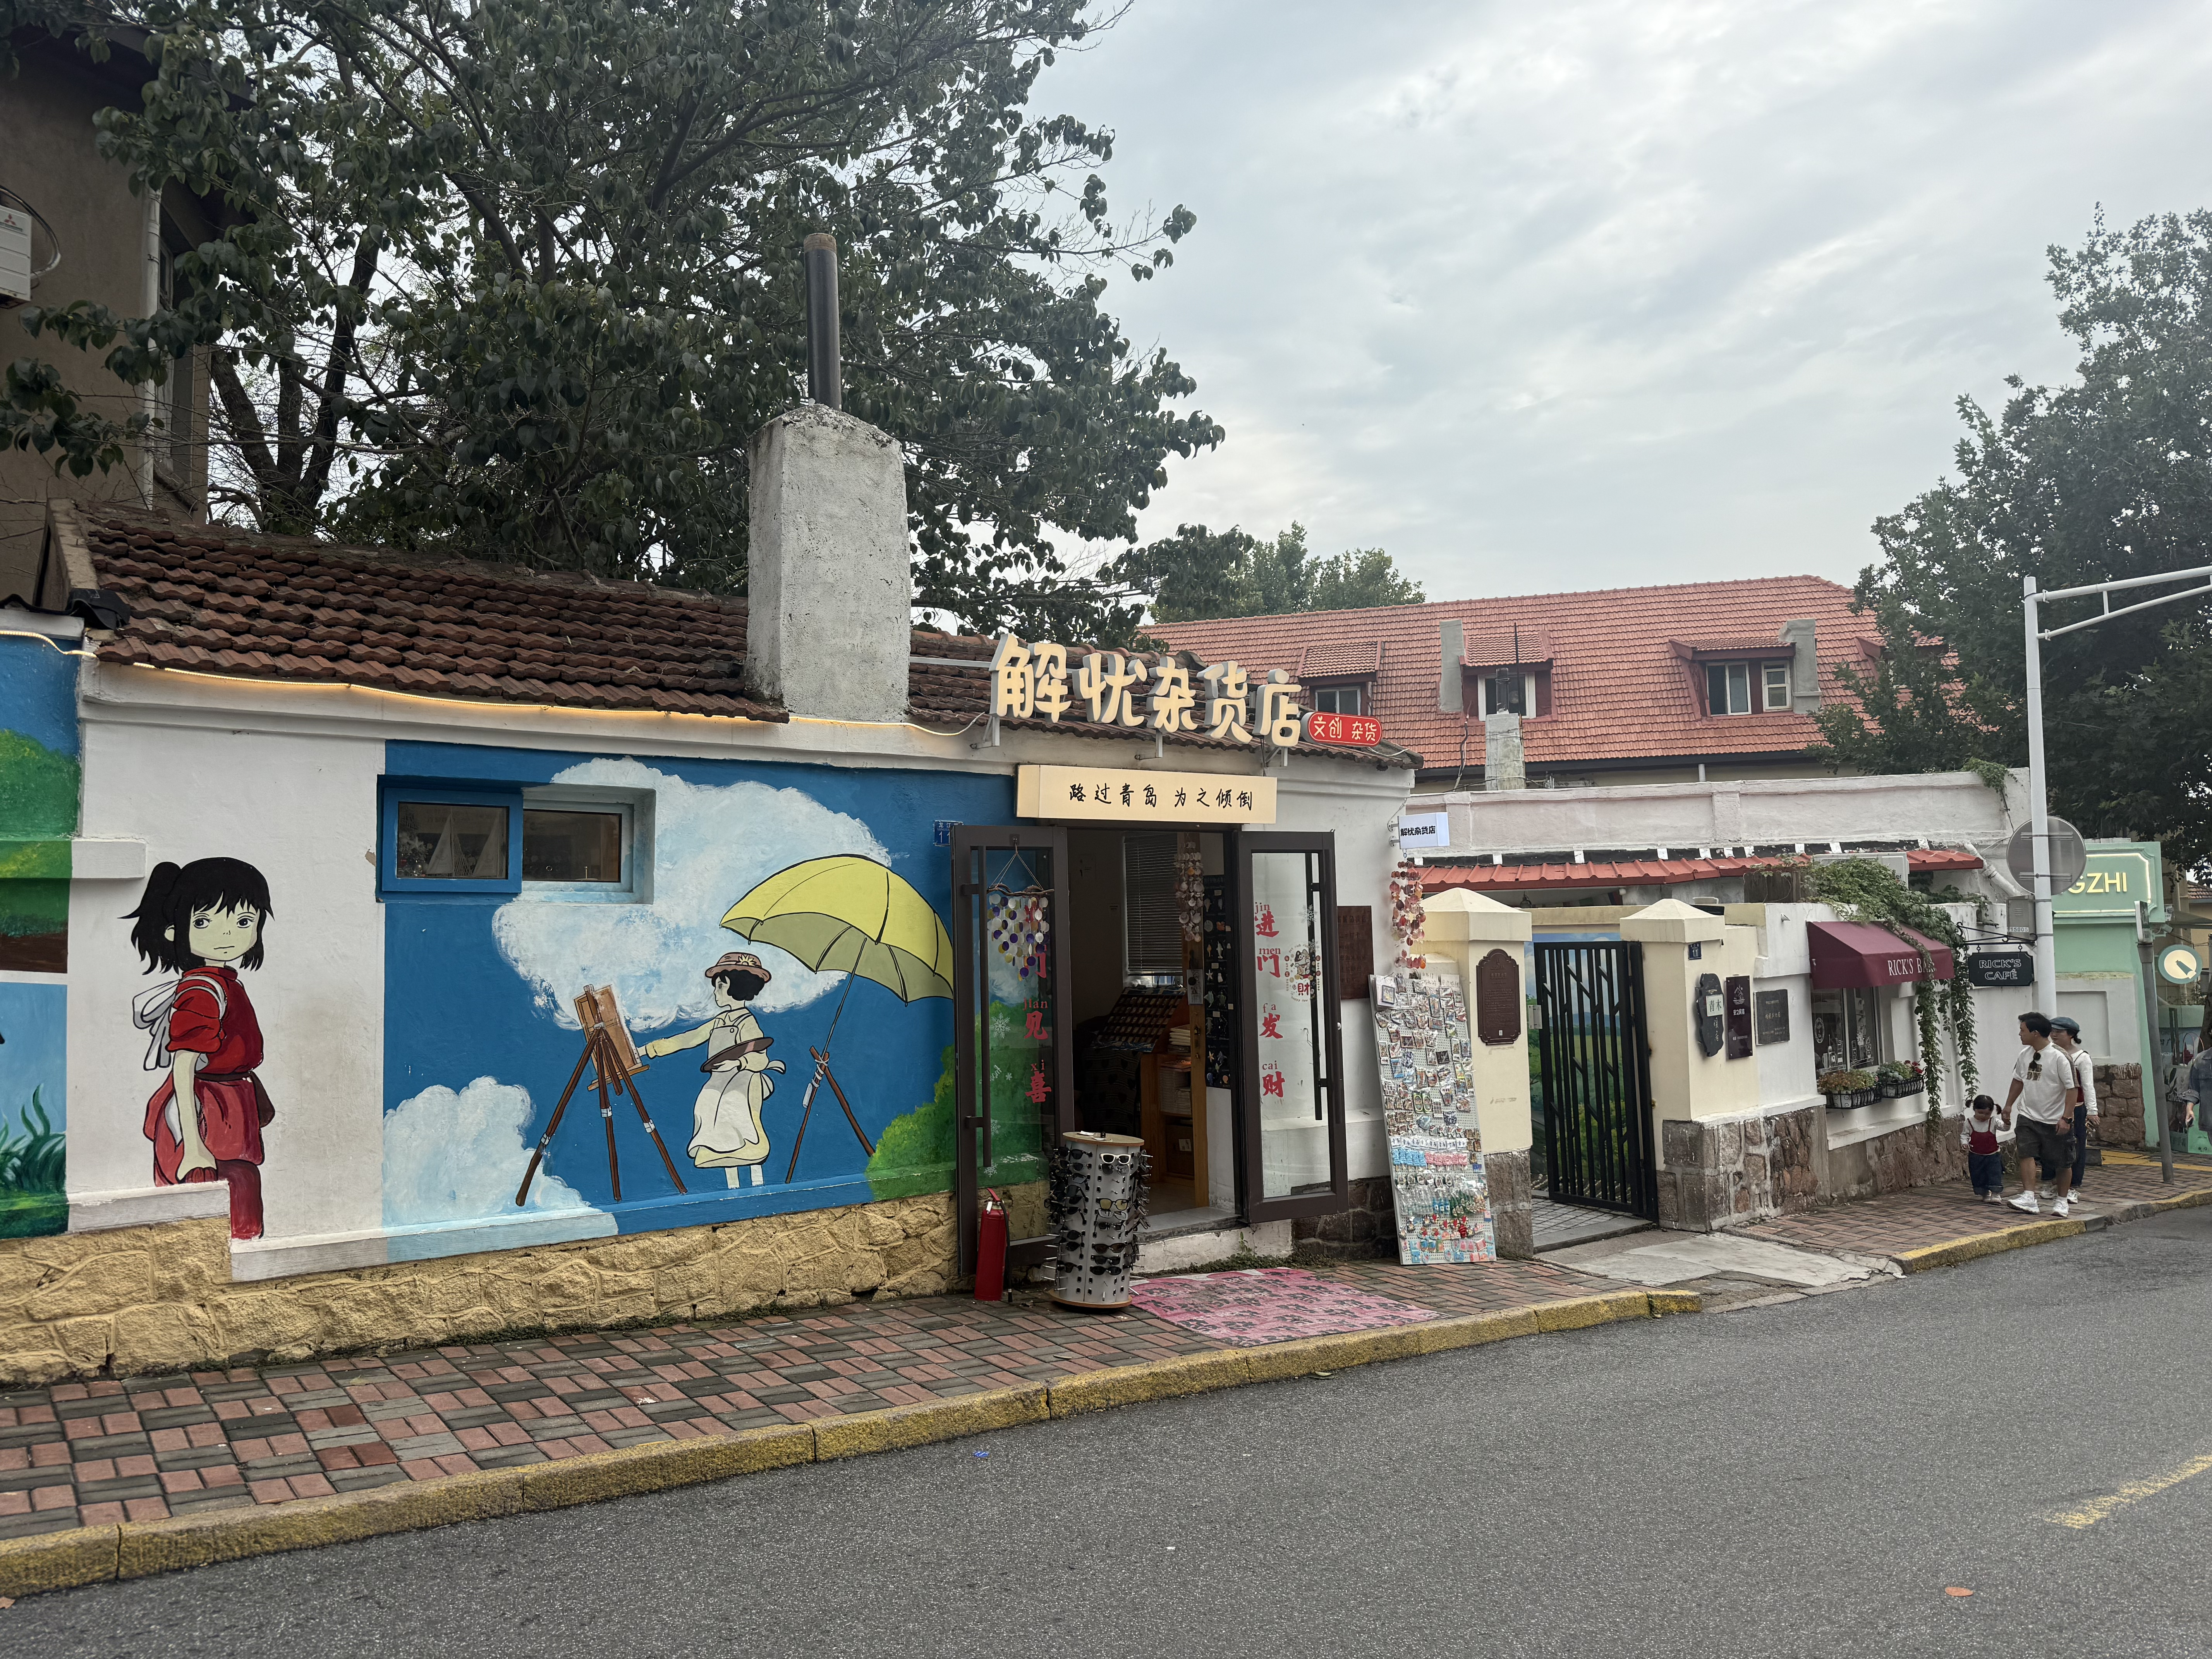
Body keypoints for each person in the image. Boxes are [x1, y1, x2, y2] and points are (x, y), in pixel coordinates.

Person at [125, 857, 277, 1241]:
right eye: (205, 922)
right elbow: (184, 1066)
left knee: (233, 1207)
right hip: (208, 1115)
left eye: (244, 922)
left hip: (226, 1106)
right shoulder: (202, 992)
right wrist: (193, 1145)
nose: (228, 934)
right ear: (178, 930)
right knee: (225, 1217)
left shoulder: (223, 982)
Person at [641, 951, 785, 1188]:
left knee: (740, 1124)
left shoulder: (747, 1022)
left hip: (743, 1083)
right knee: (709, 1110)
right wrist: (647, 1050)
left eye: (718, 986)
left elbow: (760, 1058)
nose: (715, 992)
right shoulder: (719, 1021)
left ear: (730, 986)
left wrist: (739, 1064)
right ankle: (732, 1186)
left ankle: (758, 1183)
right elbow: (687, 1039)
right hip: (718, 1082)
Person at [2004, 1012, 2080, 1218]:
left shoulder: (2060, 1057)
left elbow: (2073, 1089)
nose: (2020, 1035)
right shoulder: (2024, 1055)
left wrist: (2066, 1117)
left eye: (2023, 1031)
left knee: (2063, 1162)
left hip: (2056, 1119)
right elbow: (2018, 1080)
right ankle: (2029, 1196)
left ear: (2036, 1034)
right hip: (2028, 1115)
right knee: (2026, 1154)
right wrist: (2009, 1106)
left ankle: (2062, 1201)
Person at [2049, 1016, 2098, 1201]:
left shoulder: (2081, 1058)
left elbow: (2087, 1086)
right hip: (2053, 1108)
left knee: (2075, 1147)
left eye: (2059, 1032)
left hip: (2075, 1109)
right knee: (2051, 1146)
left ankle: (2073, 1185)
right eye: (2052, 1031)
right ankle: (2053, 1183)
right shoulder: (2051, 1053)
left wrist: (2092, 1110)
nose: (2054, 1035)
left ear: (2071, 1035)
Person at [1961, 1094, 2006, 1203]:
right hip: (1976, 1155)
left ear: (1992, 1112)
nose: (1984, 1116)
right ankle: (1985, 1193)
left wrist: (2007, 1122)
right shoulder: (1969, 1123)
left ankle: (1996, 1194)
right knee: (1978, 1174)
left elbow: (2004, 1128)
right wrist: (1964, 1143)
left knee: (1995, 1173)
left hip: (1993, 1154)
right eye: (1980, 1113)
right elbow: (1965, 1135)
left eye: (1987, 1114)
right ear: (1974, 1109)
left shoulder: (1994, 1122)